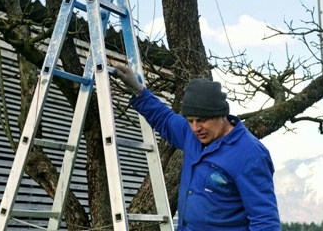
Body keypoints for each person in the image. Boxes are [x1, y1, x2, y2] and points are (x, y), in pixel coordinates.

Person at [112, 65, 281, 231]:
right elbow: (164, 117)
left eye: (201, 120)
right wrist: (138, 90)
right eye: (190, 120)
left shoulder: (250, 155)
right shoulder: (192, 136)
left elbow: (265, 221)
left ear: (221, 114)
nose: (195, 127)